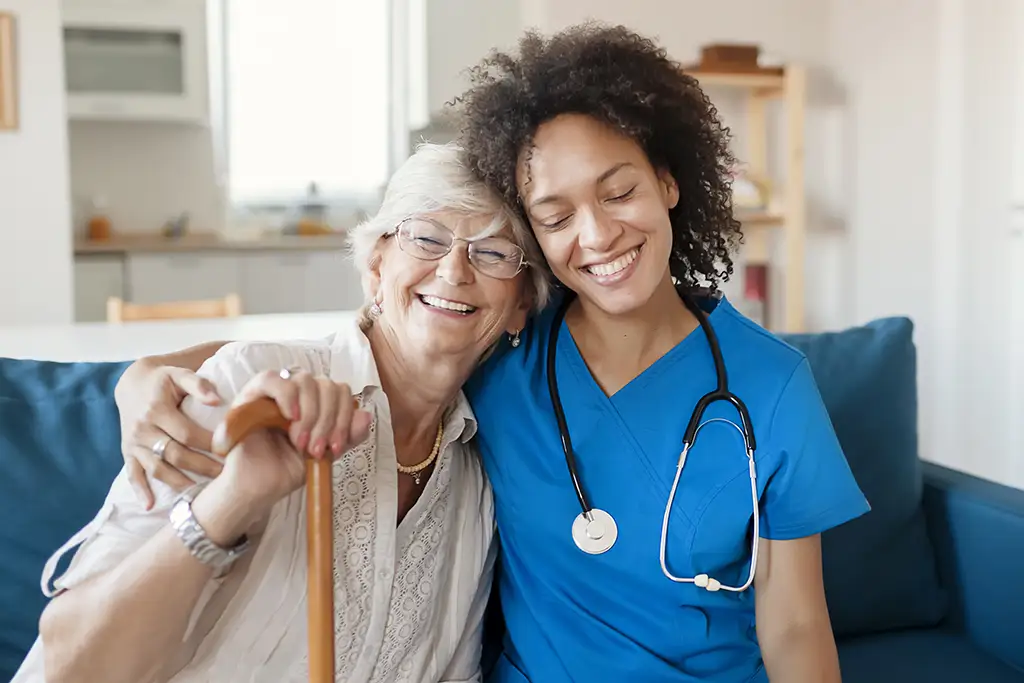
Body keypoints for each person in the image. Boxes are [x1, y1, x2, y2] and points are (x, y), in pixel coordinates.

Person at [106, 23, 870, 683]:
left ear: (669, 181)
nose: (598, 235)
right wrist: (143, 374)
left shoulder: (772, 387)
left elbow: (797, 627)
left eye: (619, 191)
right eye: (556, 213)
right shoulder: (506, 352)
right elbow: (359, 341)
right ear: (536, 238)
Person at [12, 141, 545, 683]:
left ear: (522, 303)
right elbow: (70, 666)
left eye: (494, 251)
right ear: (376, 266)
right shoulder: (247, 386)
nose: (454, 270)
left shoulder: (476, 481)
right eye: (427, 238)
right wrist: (235, 498)